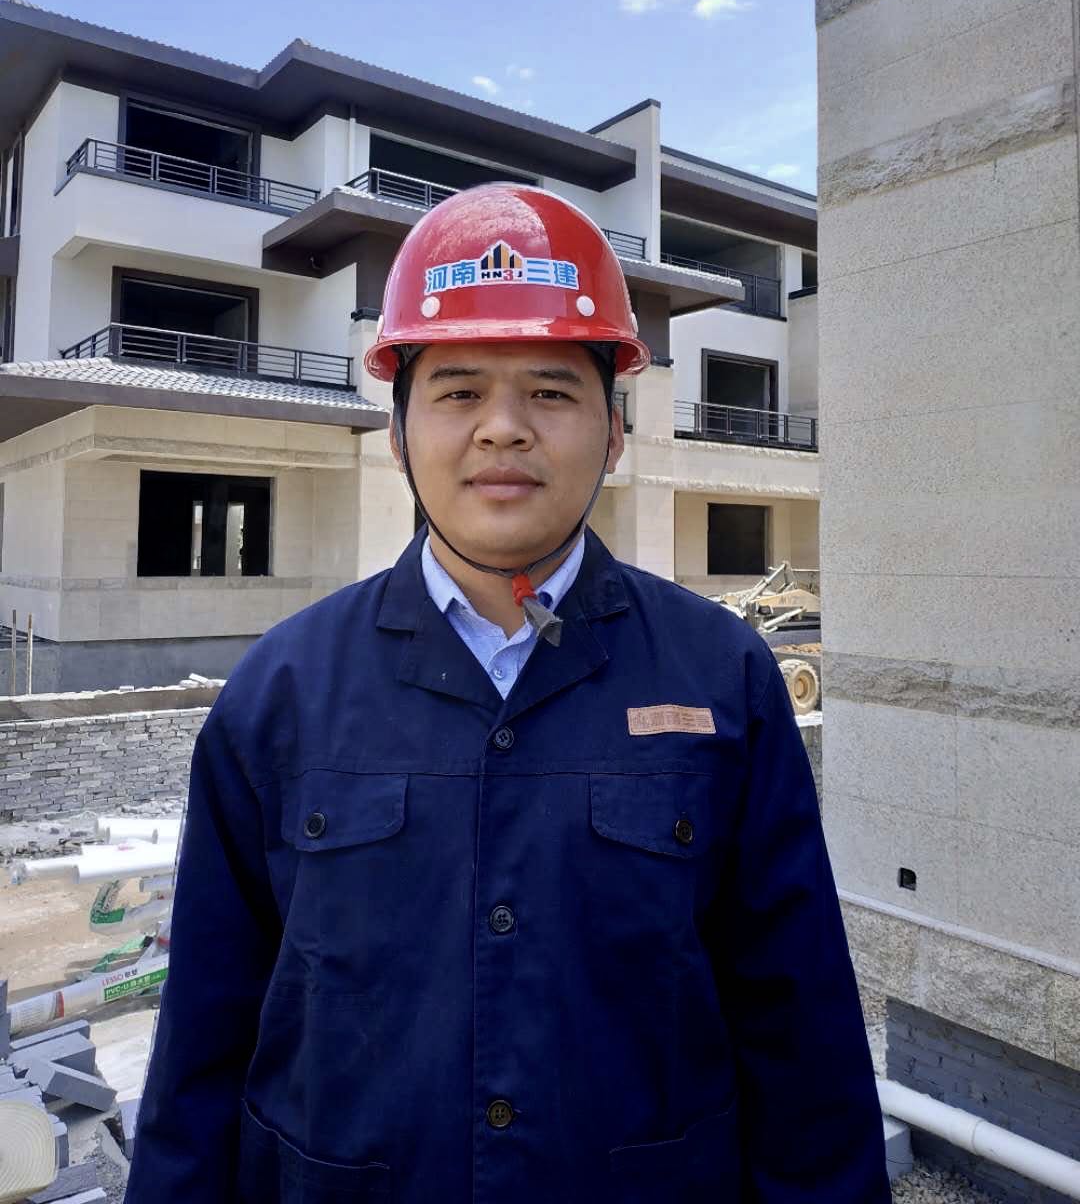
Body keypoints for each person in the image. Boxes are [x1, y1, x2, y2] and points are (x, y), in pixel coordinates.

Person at [124, 183, 891, 1203]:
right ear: (397, 431)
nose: (503, 429)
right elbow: (202, 1043)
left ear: (613, 432)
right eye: (457, 392)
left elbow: (802, 1036)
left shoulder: (722, 677)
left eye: (551, 391)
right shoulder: (281, 694)